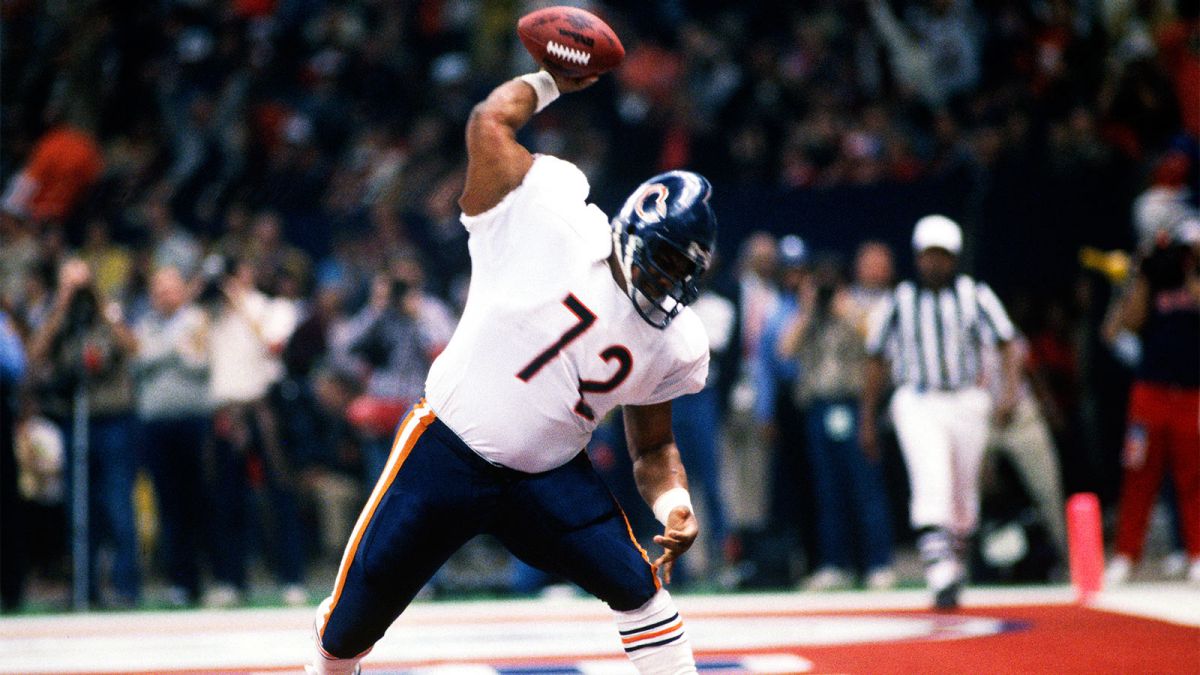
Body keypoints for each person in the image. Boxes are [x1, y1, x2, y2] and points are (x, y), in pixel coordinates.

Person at [309, 66, 715, 675]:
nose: (666, 284)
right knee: (347, 628)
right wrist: (551, 79)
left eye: (681, 273)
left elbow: (653, 447)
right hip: (446, 449)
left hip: (548, 478)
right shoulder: (545, 215)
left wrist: (674, 502)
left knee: (643, 591)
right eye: (661, 263)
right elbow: (488, 123)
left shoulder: (675, 341)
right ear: (629, 231)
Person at [860, 215, 1020, 610]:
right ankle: (939, 572)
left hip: (967, 398)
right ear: (917, 257)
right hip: (918, 400)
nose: (935, 263)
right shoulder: (898, 300)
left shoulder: (975, 294)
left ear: (955, 257)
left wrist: (1008, 393)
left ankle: (953, 561)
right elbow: (876, 359)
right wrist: (867, 416)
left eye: (942, 255)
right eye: (928, 255)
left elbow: (1006, 342)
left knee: (963, 495)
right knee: (931, 481)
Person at [778, 254, 895, 591]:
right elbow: (784, 351)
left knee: (866, 486)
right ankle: (834, 563)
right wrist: (808, 310)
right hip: (818, 407)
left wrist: (847, 309)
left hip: (856, 405)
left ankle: (878, 563)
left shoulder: (857, 310)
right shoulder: (809, 316)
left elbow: (874, 343)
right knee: (828, 490)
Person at [1102, 230, 1200, 585]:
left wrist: (1191, 268)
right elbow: (1130, 323)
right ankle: (1127, 555)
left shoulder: (1192, 277)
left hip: (1191, 394)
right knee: (1138, 472)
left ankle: (1197, 555)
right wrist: (1144, 272)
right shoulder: (1154, 278)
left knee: (1194, 477)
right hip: (1150, 393)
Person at [131, 266, 212, 607]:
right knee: (168, 503)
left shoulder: (197, 320)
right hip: (156, 425)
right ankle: (179, 580)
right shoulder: (144, 324)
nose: (165, 295)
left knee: (199, 501)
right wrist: (172, 349)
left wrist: (159, 354)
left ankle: (206, 579)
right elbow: (137, 363)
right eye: (159, 289)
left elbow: (199, 363)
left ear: (182, 290)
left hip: (192, 421)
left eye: (171, 288)